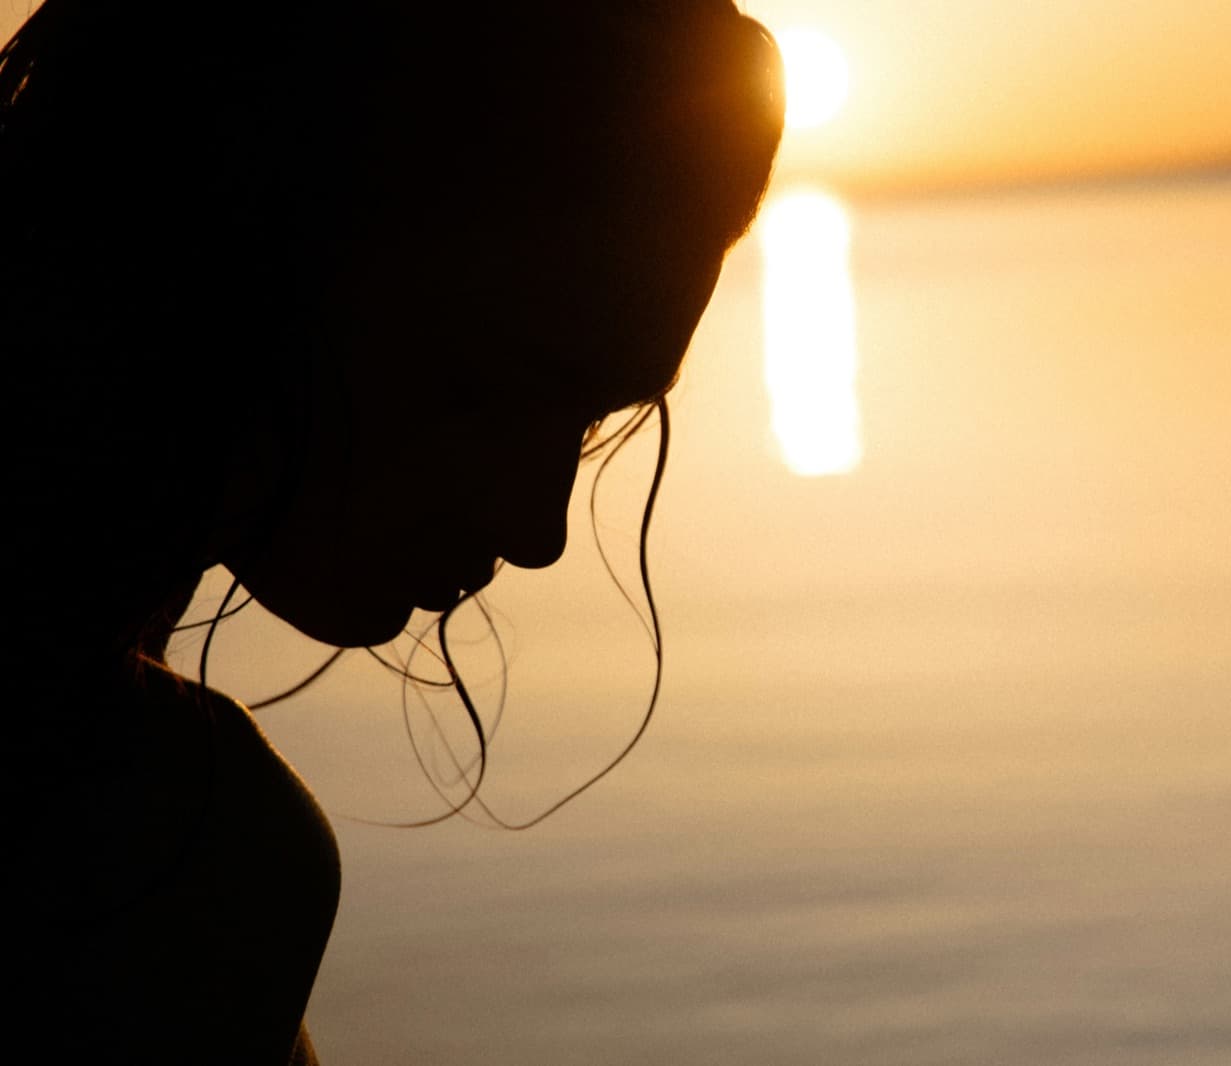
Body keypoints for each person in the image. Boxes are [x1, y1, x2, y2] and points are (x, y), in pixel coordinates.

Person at [2, 1, 784, 1061]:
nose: (538, 525)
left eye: (593, 418)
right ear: (250, 224)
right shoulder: (167, 857)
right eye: (492, 389)